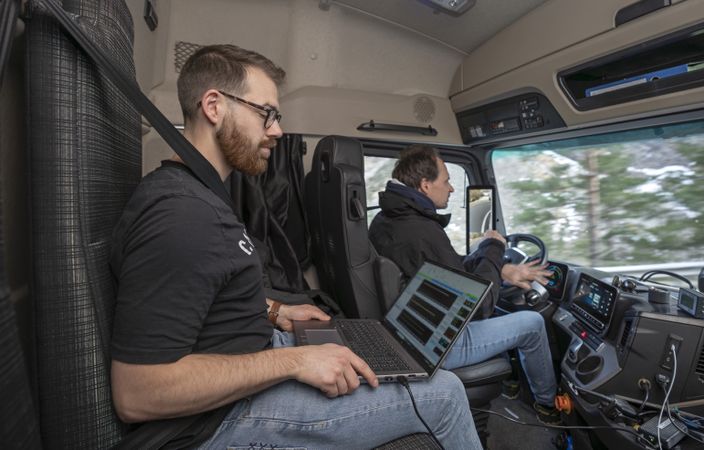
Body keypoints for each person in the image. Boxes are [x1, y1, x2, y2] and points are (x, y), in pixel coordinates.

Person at [109, 44, 481, 449]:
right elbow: (138, 392)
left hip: (249, 355)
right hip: (217, 421)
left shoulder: (203, 195)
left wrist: (276, 311)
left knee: (354, 338)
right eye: (266, 113)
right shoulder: (181, 214)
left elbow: (205, 294)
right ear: (214, 106)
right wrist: (294, 360)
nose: (277, 131)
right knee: (446, 393)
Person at [369, 144, 560, 423]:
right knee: (532, 323)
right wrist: (494, 247)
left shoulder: (389, 219)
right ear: (425, 185)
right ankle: (548, 407)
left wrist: (500, 268)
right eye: (446, 181)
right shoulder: (422, 230)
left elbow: (447, 269)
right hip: (441, 344)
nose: (451, 189)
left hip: (415, 331)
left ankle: (510, 385)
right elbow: (479, 306)